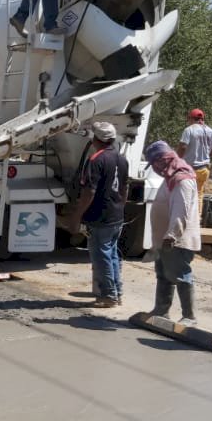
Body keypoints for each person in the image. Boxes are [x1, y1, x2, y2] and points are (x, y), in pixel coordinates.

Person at [69, 122, 129, 308]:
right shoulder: (122, 159)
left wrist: (77, 215)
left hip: (100, 216)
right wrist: (120, 207)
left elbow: (90, 191)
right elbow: (125, 188)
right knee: (112, 254)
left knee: (101, 256)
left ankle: (108, 295)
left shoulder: (96, 160)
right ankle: (117, 292)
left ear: (96, 139)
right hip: (116, 215)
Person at [144, 140, 201, 324]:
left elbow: (181, 211)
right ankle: (161, 311)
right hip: (165, 239)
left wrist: (172, 236)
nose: (154, 169)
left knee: (181, 276)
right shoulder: (171, 177)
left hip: (176, 240)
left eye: (154, 164)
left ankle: (189, 316)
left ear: (162, 161)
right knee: (163, 275)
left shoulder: (181, 180)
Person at [177, 108, 212, 217]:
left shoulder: (189, 130)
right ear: (202, 119)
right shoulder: (211, 132)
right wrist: (207, 161)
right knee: (198, 194)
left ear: (191, 118)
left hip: (190, 170)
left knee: (185, 194)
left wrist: (176, 160)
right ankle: (197, 219)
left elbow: (183, 147)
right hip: (204, 170)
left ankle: (184, 218)